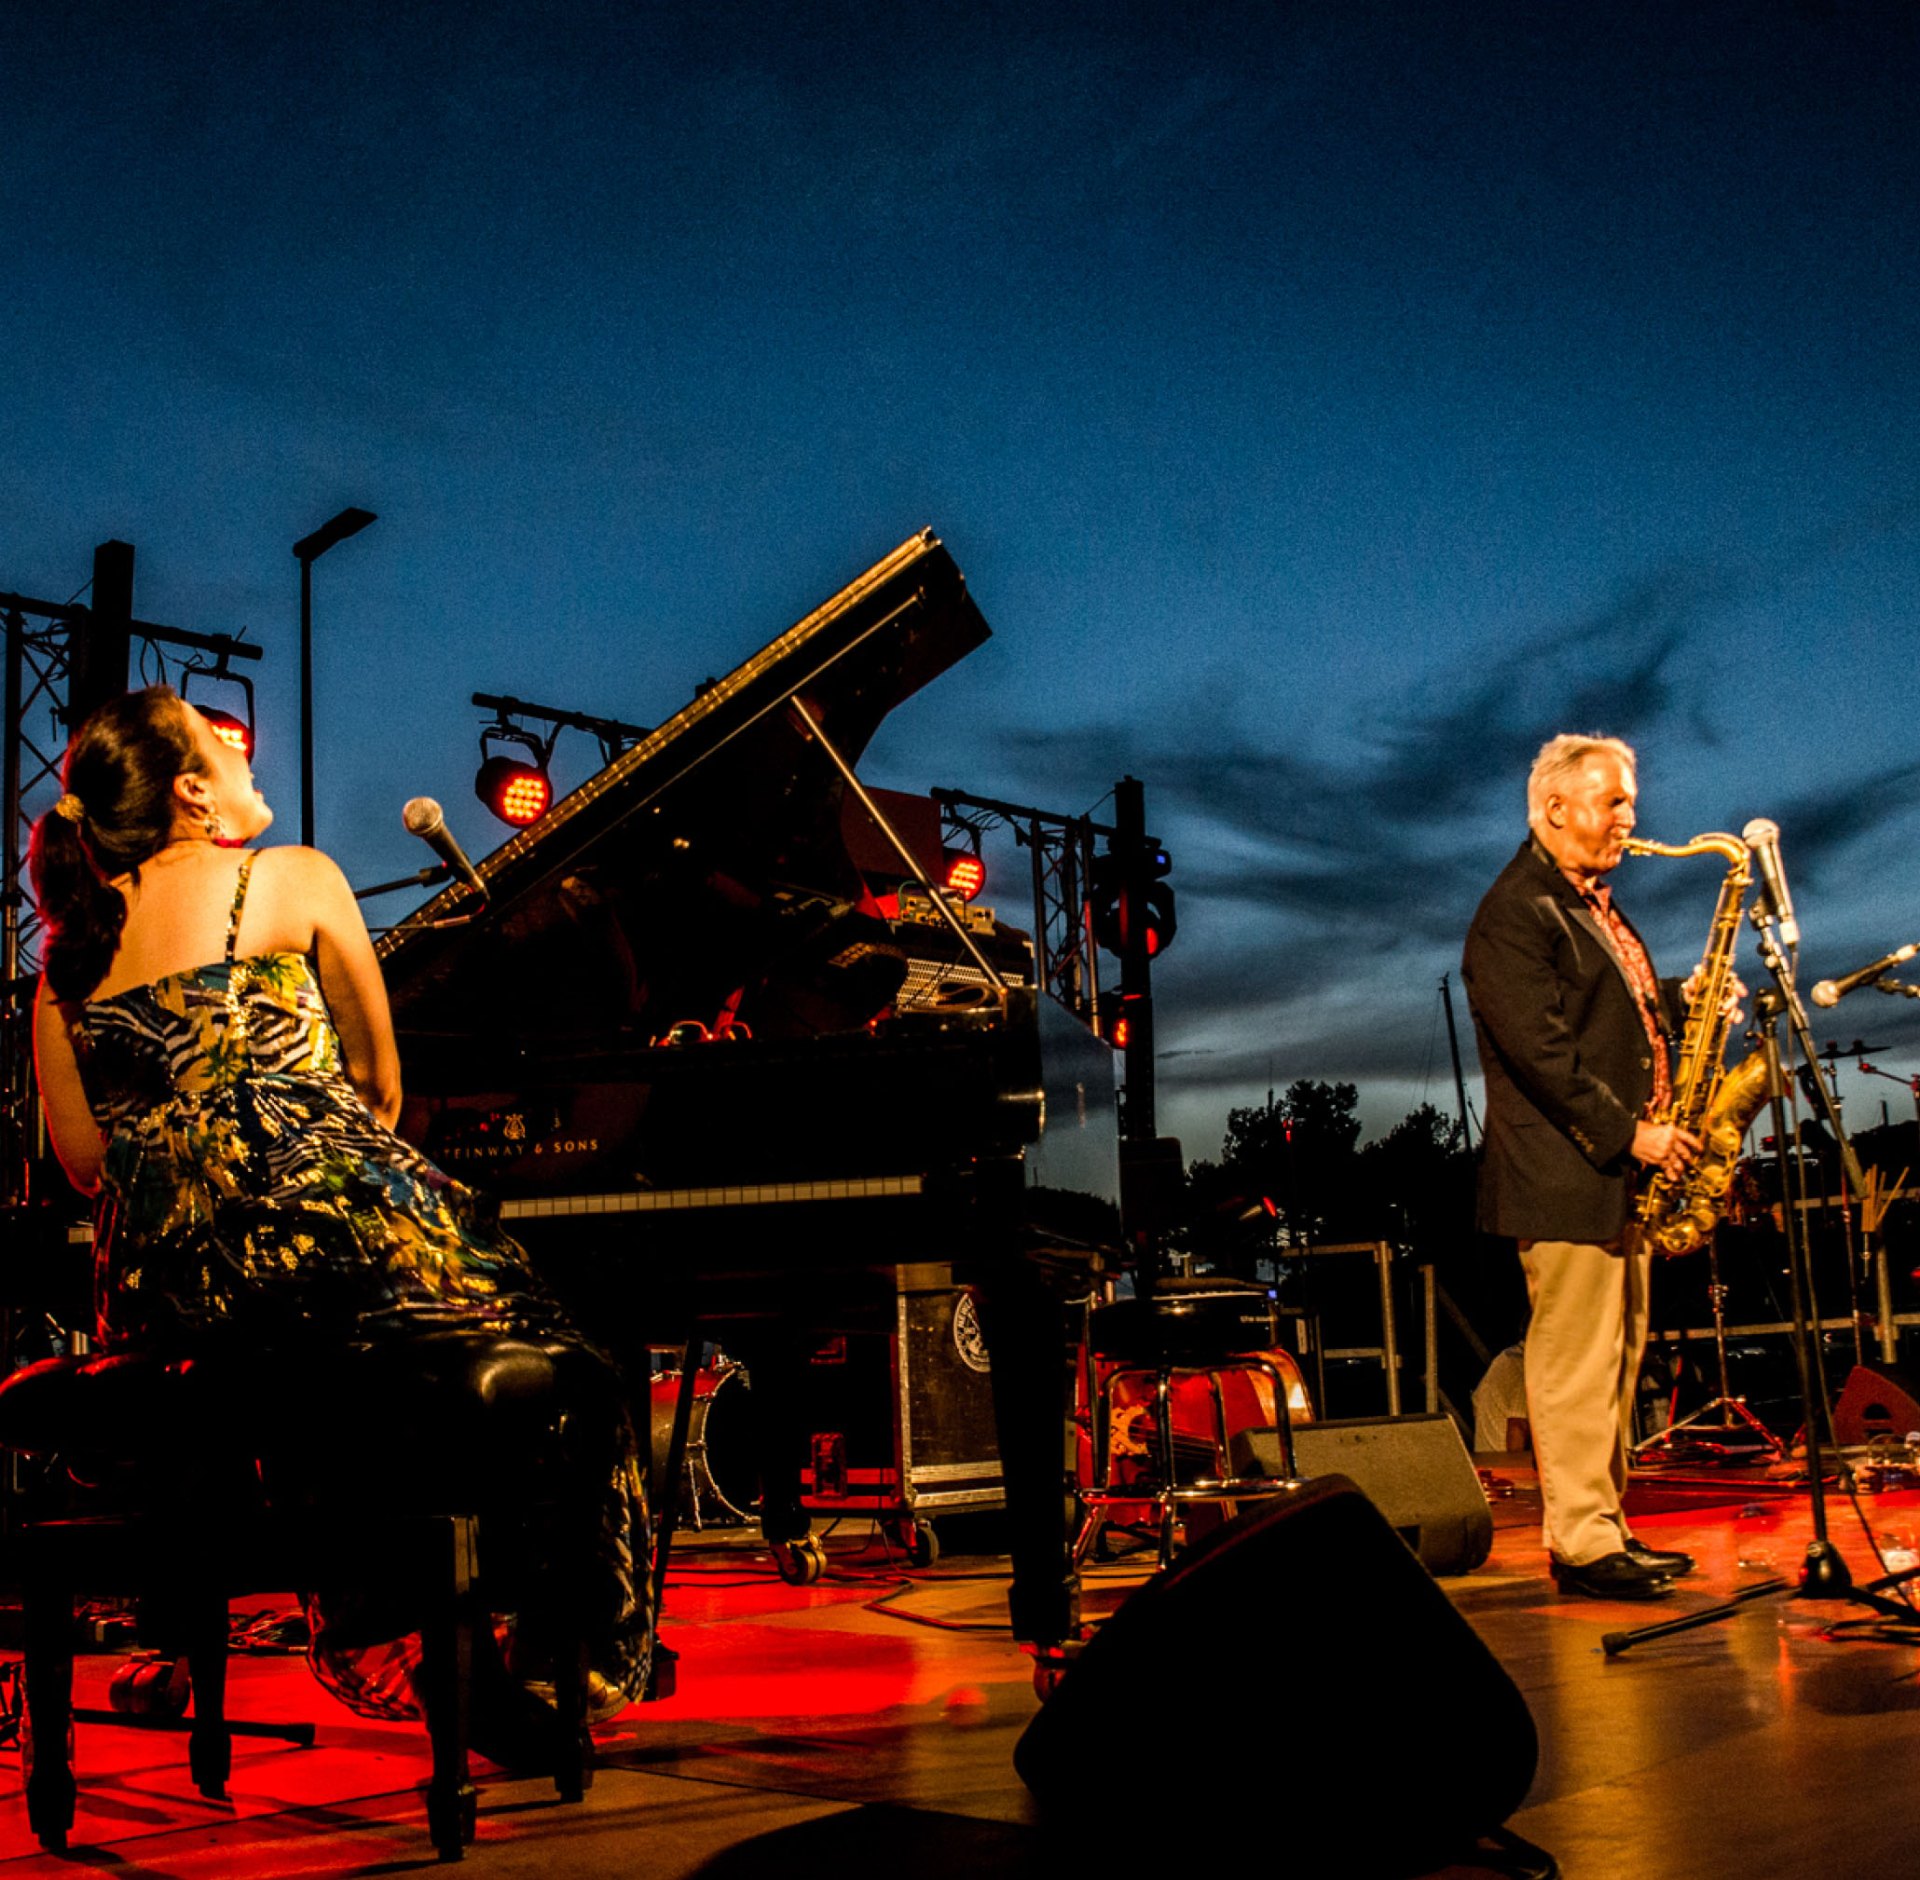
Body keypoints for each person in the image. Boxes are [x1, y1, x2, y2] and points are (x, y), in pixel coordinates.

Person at [28, 685, 650, 1745]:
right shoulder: (294, 877)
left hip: (170, 1297)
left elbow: (88, 1169)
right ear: (191, 790)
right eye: (220, 745)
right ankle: (542, 1634)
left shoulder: (64, 969)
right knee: (553, 1350)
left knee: (348, 1379)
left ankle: (409, 1633)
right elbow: (381, 1091)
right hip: (327, 1227)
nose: (241, 754)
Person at [1462, 733, 1701, 1601]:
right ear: (1556, 807)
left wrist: (1681, 996)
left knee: (1618, 1359)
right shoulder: (1515, 911)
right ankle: (1582, 1542)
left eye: (1629, 800)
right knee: (1573, 1364)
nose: (1629, 819)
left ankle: (1604, 1527)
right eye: (1613, 801)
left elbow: (1604, 1012)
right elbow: (1541, 1051)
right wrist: (1628, 1133)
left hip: (1608, 1176)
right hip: (1566, 1173)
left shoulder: (1587, 904)